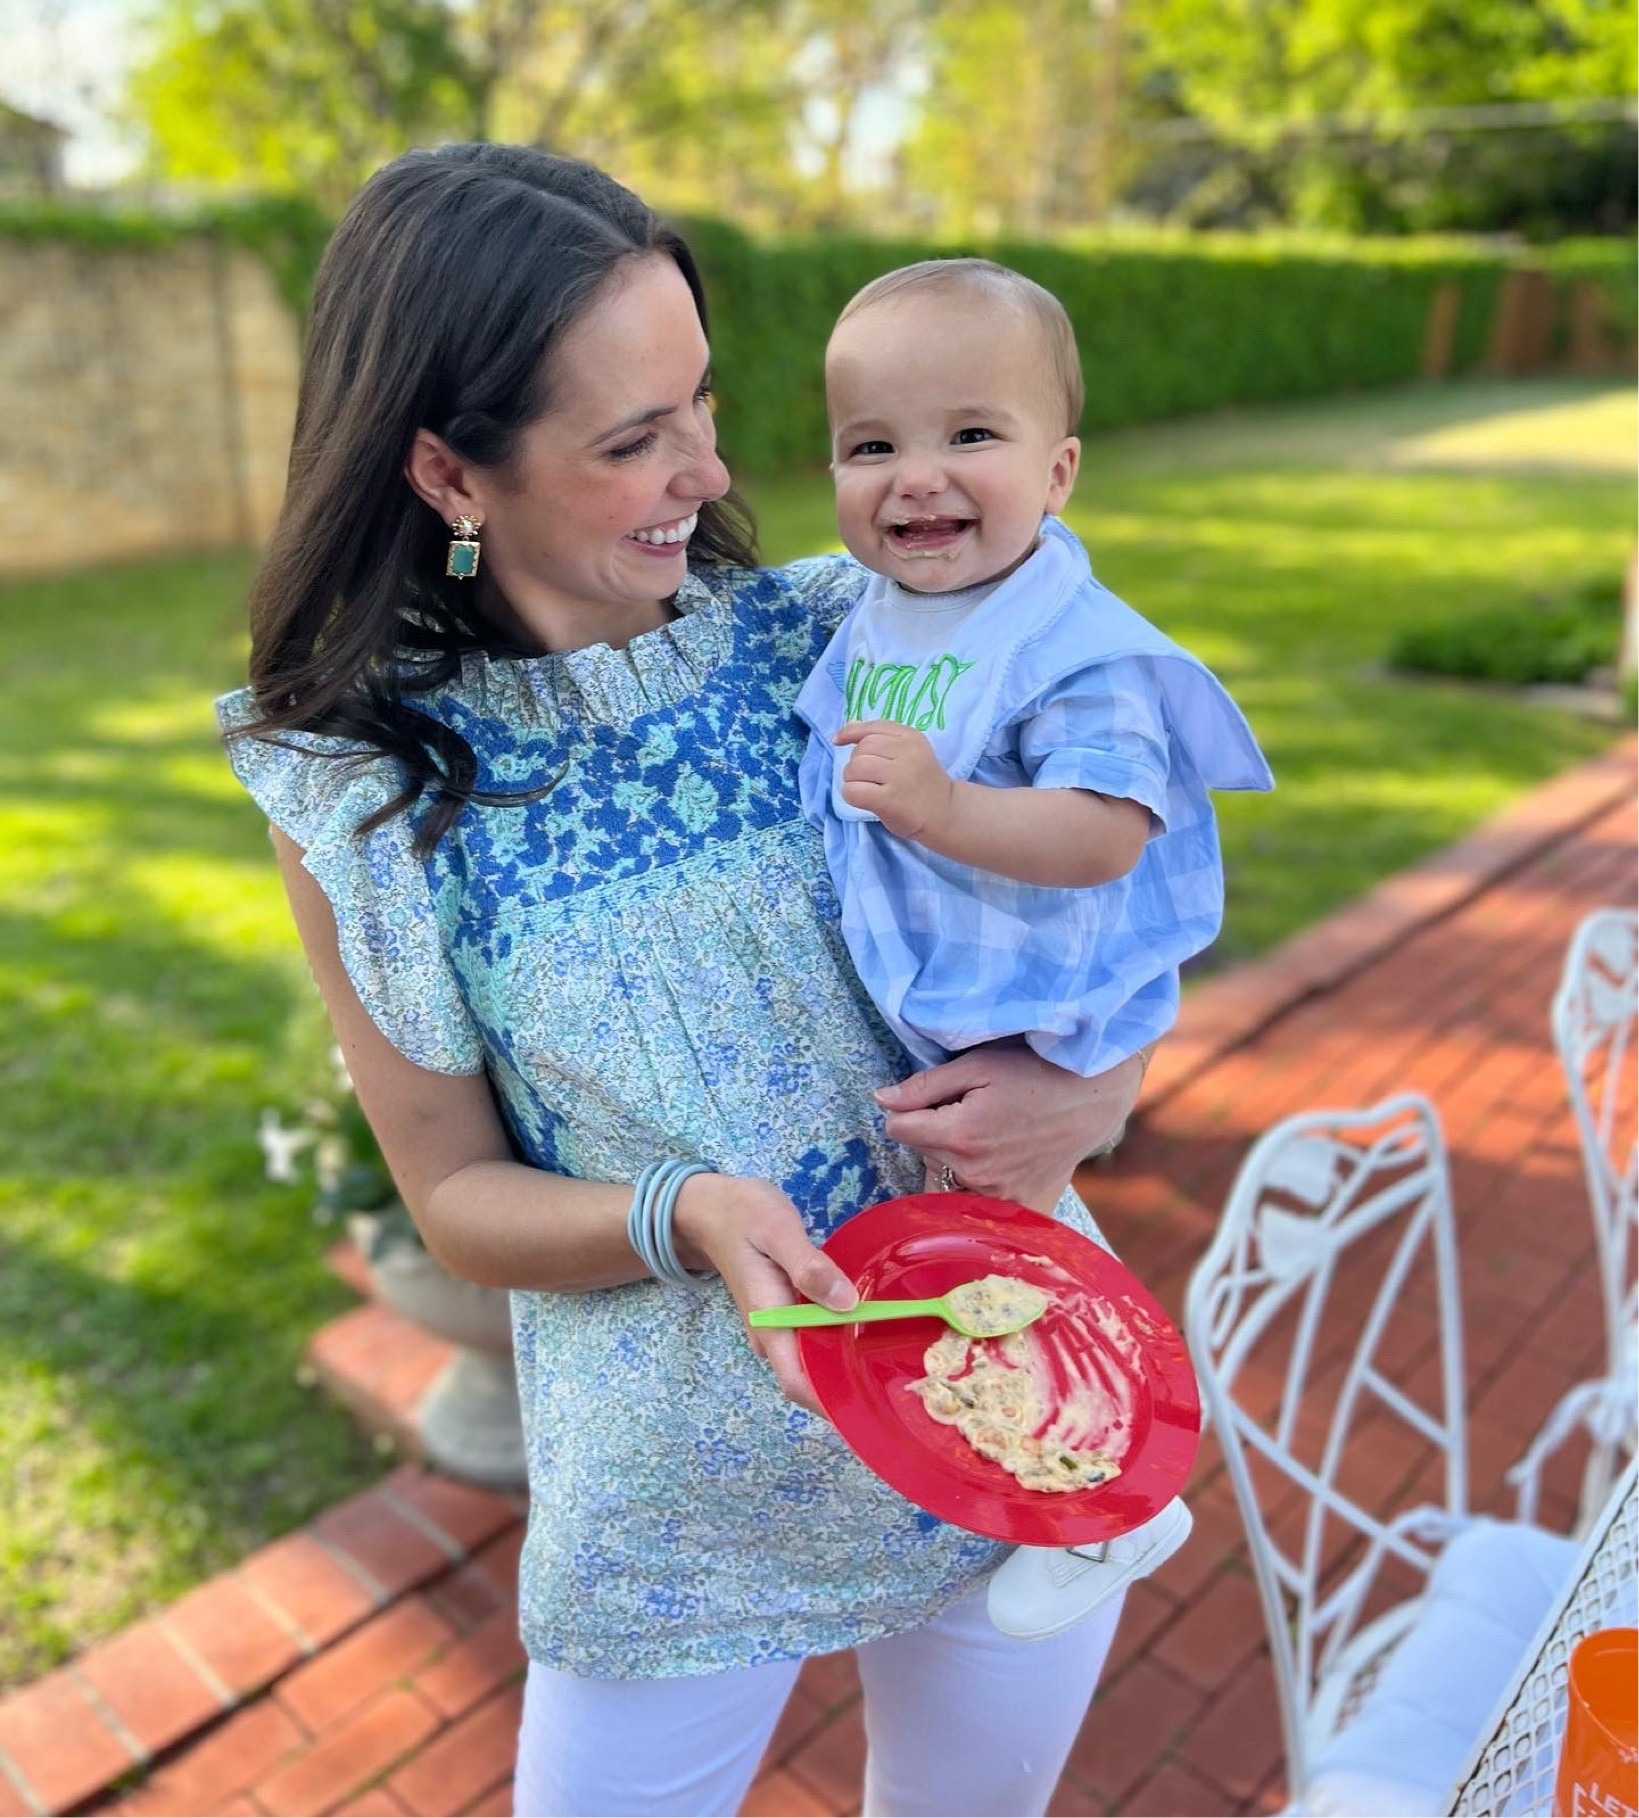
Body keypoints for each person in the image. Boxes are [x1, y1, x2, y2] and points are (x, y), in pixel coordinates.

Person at [218, 146, 1155, 1818]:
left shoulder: (860, 631)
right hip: (668, 1502)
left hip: (993, 1394)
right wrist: (688, 1210)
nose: (708, 469)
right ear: (449, 469)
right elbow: (452, 1195)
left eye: (703, 405)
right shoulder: (360, 786)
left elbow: (1106, 885)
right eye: (633, 437)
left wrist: (1097, 1086)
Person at [794, 259, 1273, 1640]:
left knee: (1022, 1250)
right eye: (871, 446)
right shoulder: (889, 613)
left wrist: (942, 805)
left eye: (970, 436)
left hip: (1044, 992)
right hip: (955, 1002)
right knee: (1010, 1237)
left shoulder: (1072, 645)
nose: (917, 476)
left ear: (1058, 471)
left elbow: (1108, 828)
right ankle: (1077, 1468)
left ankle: (1113, 1487)